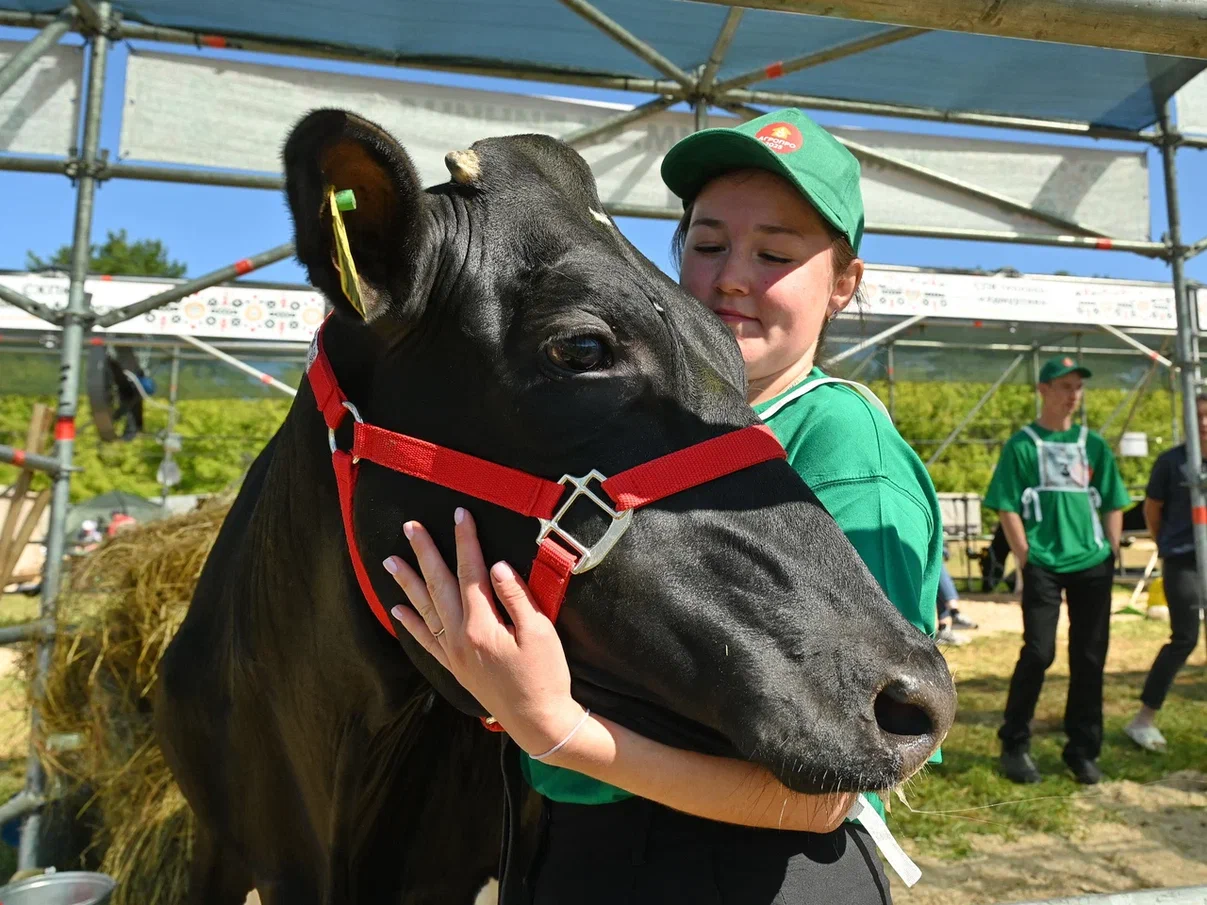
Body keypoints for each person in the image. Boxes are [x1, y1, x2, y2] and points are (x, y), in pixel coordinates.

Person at [384, 108, 944, 904]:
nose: (732, 277)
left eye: (775, 253)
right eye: (707, 244)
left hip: (746, 867)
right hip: (575, 844)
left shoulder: (841, 443)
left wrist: (558, 729)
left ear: (845, 283)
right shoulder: (649, 437)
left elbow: (831, 790)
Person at [986, 356, 1130, 785]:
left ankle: (1082, 750)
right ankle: (1014, 743)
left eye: (1077, 388)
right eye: (1064, 386)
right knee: (1039, 652)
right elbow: (1006, 503)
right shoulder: (1023, 444)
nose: (1073, 395)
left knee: (1089, 657)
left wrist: (1110, 550)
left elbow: (1113, 499)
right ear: (1043, 390)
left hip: (1091, 564)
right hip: (1044, 563)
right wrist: (1026, 556)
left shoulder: (1094, 445)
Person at [1125, 394, 1207, 752]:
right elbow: (1152, 509)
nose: (1204, 422)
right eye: (1199, 415)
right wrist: (1168, 546)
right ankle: (1143, 719)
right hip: (1183, 560)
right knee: (1185, 638)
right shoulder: (1171, 462)